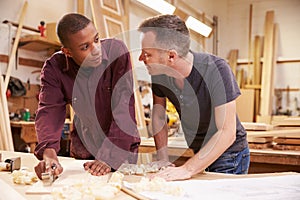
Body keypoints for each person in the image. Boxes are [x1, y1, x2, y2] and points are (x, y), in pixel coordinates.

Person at [138, 14, 250, 181]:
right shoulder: (160, 73)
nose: (141, 59)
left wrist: (187, 169)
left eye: (147, 54)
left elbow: (227, 132)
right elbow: (159, 116)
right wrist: (162, 159)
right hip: (198, 151)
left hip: (229, 154)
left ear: (171, 56)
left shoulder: (216, 70)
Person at [34, 13, 140, 179]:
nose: (96, 50)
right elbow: (49, 111)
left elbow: (123, 105)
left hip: (120, 146)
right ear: (67, 52)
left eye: (96, 40)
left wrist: (109, 157)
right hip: (85, 148)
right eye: (85, 47)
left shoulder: (116, 52)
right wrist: (49, 152)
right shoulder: (54, 68)